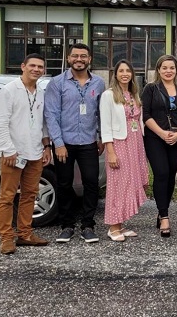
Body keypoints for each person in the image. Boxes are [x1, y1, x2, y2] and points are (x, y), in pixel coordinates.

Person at [45, 43, 105, 243]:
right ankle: (67, 225)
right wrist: (58, 143)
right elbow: (51, 115)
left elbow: (100, 113)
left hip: (89, 141)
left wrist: (100, 137)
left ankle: (88, 225)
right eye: (75, 56)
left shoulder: (98, 83)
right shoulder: (57, 83)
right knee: (64, 183)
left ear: (89, 59)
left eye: (83, 56)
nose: (79, 59)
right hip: (65, 143)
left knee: (91, 183)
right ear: (69, 58)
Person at [0, 53, 52, 254]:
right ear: (23, 66)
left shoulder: (41, 92)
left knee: (29, 195)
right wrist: (8, 150)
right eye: (33, 66)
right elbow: (0, 123)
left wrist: (46, 146)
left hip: (35, 152)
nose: (36, 70)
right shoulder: (8, 91)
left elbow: (43, 123)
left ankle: (25, 234)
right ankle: (6, 238)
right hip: (14, 153)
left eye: (40, 67)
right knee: (7, 197)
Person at [142, 55, 177, 237]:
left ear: (176, 70)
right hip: (155, 137)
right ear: (158, 70)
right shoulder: (151, 89)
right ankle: (164, 216)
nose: (168, 71)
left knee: (171, 174)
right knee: (161, 173)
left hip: (176, 138)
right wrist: (162, 133)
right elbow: (145, 114)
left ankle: (162, 208)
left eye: (171, 68)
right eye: (164, 68)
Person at [100, 60, 149, 242]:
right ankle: (113, 227)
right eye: (121, 71)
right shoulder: (108, 95)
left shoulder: (134, 94)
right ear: (116, 74)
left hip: (135, 143)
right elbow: (105, 125)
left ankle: (121, 223)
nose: (125, 74)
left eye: (128, 70)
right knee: (117, 184)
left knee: (129, 183)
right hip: (119, 143)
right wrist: (110, 151)